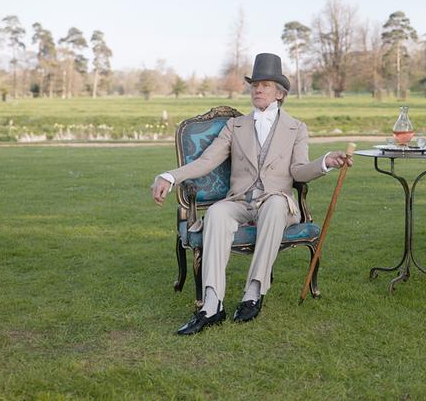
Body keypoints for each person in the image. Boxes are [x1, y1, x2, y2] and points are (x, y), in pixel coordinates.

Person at [151, 53, 353, 335]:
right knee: (217, 213)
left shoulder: (296, 128)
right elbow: (207, 161)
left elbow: (298, 172)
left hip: (276, 202)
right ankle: (211, 305)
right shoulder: (235, 126)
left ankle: (253, 293)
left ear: (280, 93)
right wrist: (170, 176)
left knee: (275, 204)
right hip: (240, 201)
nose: (258, 89)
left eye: (265, 85)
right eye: (255, 84)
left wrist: (325, 162)